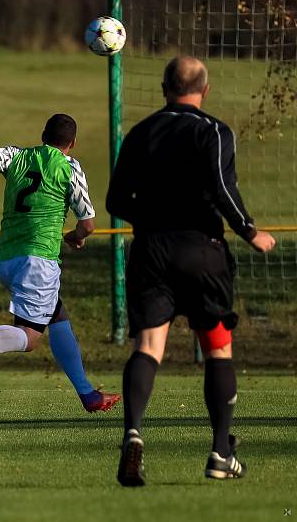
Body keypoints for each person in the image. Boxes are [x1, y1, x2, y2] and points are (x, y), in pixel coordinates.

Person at [107, 56, 276, 486]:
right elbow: (223, 189)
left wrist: (150, 219)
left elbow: (115, 201)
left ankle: (133, 432)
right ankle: (221, 451)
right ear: (206, 89)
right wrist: (249, 231)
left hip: (151, 250)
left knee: (148, 346)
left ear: (164, 86)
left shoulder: (140, 132)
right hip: (202, 250)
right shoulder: (214, 131)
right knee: (217, 346)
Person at [0, 114, 121, 413]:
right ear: (72, 143)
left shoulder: (18, 156)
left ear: (43, 135)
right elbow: (88, 224)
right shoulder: (69, 167)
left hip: (8, 258)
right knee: (29, 338)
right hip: (39, 260)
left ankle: (87, 393)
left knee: (57, 315)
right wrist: (74, 236)